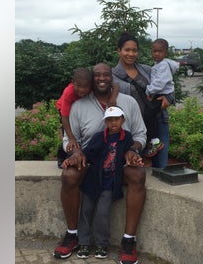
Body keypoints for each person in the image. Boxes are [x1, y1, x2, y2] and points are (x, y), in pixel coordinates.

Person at [54, 63, 147, 264]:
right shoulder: (79, 105)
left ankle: (129, 240)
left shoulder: (128, 102)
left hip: (120, 159)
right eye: (97, 75)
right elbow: (68, 138)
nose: (102, 78)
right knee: (69, 176)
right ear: (91, 79)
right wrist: (76, 152)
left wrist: (133, 149)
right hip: (90, 162)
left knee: (138, 175)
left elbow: (140, 133)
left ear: (112, 77)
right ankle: (72, 234)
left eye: (106, 75)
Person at [75, 106, 135, 259]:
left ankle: (102, 244)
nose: (113, 123)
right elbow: (88, 154)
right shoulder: (99, 137)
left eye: (116, 119)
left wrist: (137, 157)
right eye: (109, 120)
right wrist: (76, 157)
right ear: (105, 122)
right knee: (86, 211)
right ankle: (84, 242)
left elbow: (130, 153)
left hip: (110, 183)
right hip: (93, 180)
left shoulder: (126, 137)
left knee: (103, 213)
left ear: (123, 120)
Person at [112, 33, 174, 167]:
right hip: (132, 128)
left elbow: (167, 85)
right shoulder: (112, 76)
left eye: (134, 50)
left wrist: (169, 98)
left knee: (161, 167)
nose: (131, 54)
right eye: (127, 50)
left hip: (158, 122)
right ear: (119, 51)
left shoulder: (148, 70)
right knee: (134, 167)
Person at [56, 68, 119, 159]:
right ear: (73, 83)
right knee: (68, 135)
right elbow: (64, 117)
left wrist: (113, 97)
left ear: (91, 84)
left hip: (82, 106)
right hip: (65, 109)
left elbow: (116, 85)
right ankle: (62, 155)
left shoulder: (93, 87)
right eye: (78, 86)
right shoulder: (69, 92)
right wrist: (71, 139)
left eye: (85, 87)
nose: (81, 89)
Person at [143, 38, 179, 157]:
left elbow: (160, 83)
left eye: (160, 51)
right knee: (150, 115)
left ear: (166, 53)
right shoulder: (159, 64)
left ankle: (154, 141)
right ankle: (153, 140)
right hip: (161, 94)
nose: (156, 54)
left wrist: (149, 91)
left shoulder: (163, 65)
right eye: (154, 51)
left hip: (164, 95)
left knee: (149, 115)